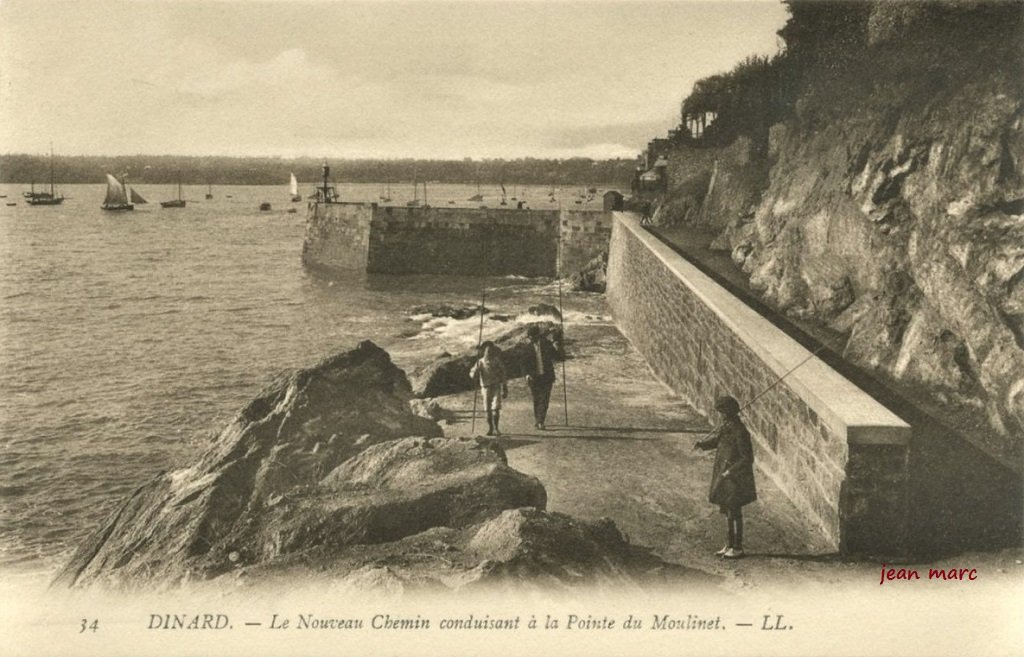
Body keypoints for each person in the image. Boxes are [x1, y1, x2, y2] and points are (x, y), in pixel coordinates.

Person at [694, 395, 757, 559]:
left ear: (729, 412)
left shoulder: (740, 431)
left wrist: (731, 471)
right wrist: (703, 445)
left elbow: (747, 458)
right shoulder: (727, 426)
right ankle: (729, 544)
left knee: (734, 511)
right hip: (724, 475)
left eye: (722, 412)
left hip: (735, 478)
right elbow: (718, 442)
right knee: (728, 510)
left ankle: (737, 547)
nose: (721, 415)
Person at [469, 341, 508, 436]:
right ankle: (490, 429)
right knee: (487, 410)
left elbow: (503, 373)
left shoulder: (496, 361)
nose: (489, 353)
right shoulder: (480, 362)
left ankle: (496, 428)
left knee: (496, 408)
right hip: (485, 388)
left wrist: (505, 386)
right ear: (484, 352)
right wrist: (475, 372)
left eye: (490, 351)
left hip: (496, 386)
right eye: (487, 351)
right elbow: (472, 374)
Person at [525, 325, 559, 430]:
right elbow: (523, 363)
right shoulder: (527, 348)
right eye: (529, 336)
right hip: (533, 378)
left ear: (537, 335)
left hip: (546, 377)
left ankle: (540, 421)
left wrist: (557, 348)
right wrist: (527, 374)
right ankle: (538, 420)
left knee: (544, 400)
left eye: (531, 336)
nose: (530, 338)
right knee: (536, 399)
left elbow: (558, 357)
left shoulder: (547, 344)